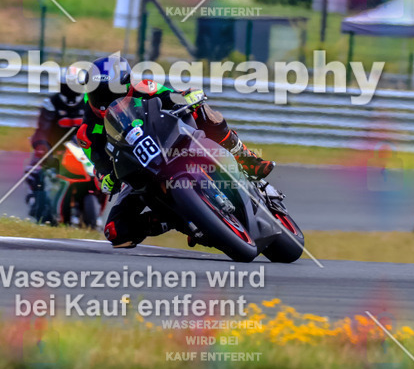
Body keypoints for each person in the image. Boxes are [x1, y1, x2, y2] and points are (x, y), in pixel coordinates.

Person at [75, 54, 277, 248]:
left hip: (168, 141)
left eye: (110, 93)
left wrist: (187, 96)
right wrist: (106, 178)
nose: (105, 101)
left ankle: (244, 157)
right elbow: (100, 167)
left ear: (126, 84)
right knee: (115, 232)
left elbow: (172, 97)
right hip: (138, 170)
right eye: (98, 94)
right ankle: (188, 220)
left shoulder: (143, 87)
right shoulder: (87, 132)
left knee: (202, 111)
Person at [24, 65, 85, 215]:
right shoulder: (51, 104)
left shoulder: (88, 104)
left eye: (75, 86)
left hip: (82, 148)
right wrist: (42, 146)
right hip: (54, 147)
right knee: (33, 171)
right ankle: (36, 198)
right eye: (67, 86)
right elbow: (42, 129)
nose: (71, 90)